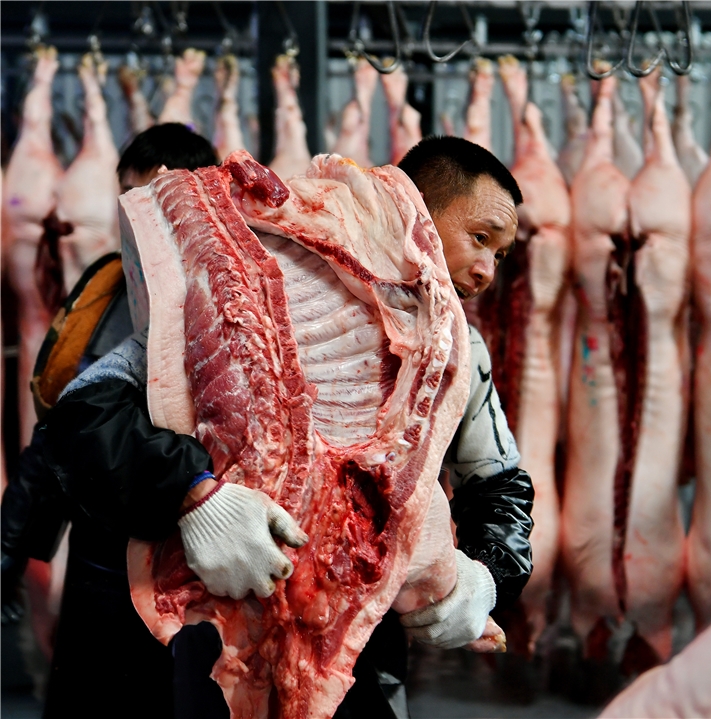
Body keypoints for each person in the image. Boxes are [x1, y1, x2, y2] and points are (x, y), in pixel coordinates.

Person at [39, 135, 534, 719]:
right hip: (214, 642)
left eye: (501, 256)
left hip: (355, 645)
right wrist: (193, 496)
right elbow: (84, 412)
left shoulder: (460, 351)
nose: (486, 270)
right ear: (417, 207)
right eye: (480, 238)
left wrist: (486, 578)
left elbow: (502, 485)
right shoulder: (251, 284)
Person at [0, 123, 220, 718]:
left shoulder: (226, 298)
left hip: (196, 558)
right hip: (99, 562)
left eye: (155, 201)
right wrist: (13, 542)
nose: (137, 217)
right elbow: (61, 427)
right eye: (128, 197)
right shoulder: (104, 288)